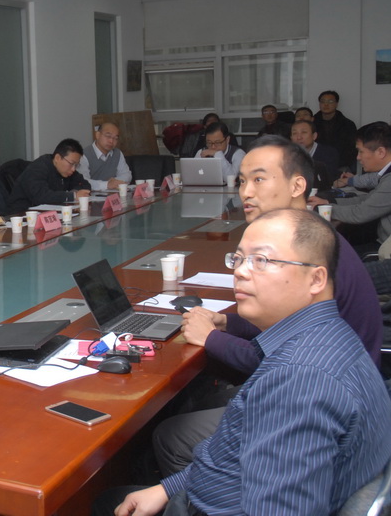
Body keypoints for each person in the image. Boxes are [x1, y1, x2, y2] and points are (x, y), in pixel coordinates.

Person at [99, 209, 391, 516]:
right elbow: (234, 451)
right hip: (218, 488)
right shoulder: (325, 334)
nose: (239, 271)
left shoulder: (301, 381)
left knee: (105, 502)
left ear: (316, 279)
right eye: (238, 259)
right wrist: (168, 488)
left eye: (261, 260)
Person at [153, 135, 382, 476]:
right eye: (243, 181)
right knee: (203, 399)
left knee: (171, 434)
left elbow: (275, 360)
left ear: (297, 186)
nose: (246, 192)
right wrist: (227, 323)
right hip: (331, 391)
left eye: (259, 179)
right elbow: (284, 333)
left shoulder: (308, 262)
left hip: (318, 408)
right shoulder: (311, 238)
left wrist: (211, 338)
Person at [310, 121, 391, 251]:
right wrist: (328, 202)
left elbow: (360, 213)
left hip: (385, 251)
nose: (358, 157)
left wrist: (325, 209)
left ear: (381, 152)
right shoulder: (386, 176)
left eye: (361, 151)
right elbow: (369, 199)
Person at [6, 139, 91, 215]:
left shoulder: (66, 171)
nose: (73, 169)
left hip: (50, 214)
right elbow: (41, 196)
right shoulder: (38, 168)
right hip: (22, 215)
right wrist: (73, 195)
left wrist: (76, 192)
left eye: (76, 165)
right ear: (57, 158)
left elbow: (85, 185)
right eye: (72, 163)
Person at [78, 122, 132, 191]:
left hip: (113, 194)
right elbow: (82, 181)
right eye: (108, 136)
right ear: (97, 135)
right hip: (92, 195)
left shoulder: (117, 153)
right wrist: (107, 184)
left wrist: (115, 182)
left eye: (115, 138)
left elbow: (127, 174)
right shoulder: (84, 154)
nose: (111, 141)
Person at [314, 90, 358, 171]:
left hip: (341, 165)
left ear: (337, 104)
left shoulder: (348, 124)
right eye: (323, 101)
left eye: (330, 101)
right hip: (317, 164)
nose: (326, 104)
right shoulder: (312, 123)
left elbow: (352, 149)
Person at [291, 118, 339, 183]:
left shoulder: (329, 153)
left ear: (314, 136)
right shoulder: (286, 154)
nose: (299, 137)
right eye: (294, 133)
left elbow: (328, 179)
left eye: (304, 132)